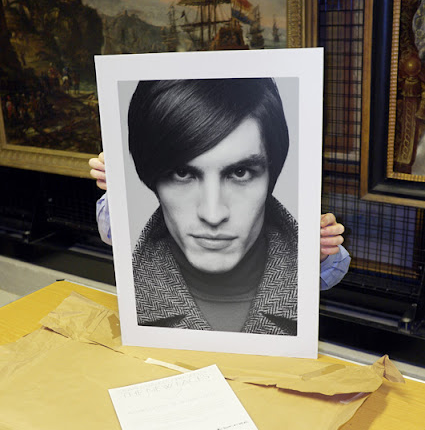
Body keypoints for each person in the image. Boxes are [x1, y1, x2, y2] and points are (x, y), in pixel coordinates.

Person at [90, 78, 350, 334]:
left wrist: (319, 253)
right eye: (182, 173)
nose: (213, 215)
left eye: (240, 172)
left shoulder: (296, 245)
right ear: (150, 177)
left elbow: (331, 272)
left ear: (272, 175)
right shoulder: (137, 254)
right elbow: (112, 232)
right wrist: (119, 191)